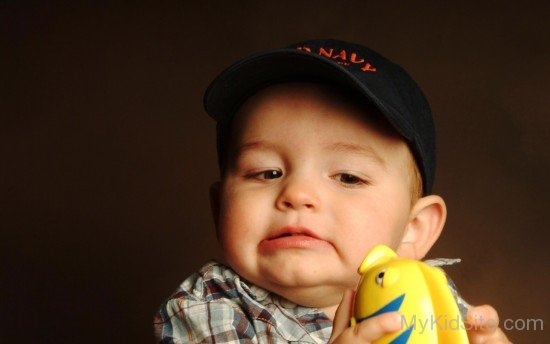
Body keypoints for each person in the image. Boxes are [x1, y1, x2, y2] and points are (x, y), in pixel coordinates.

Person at [154, 39, 510, 343]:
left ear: (413, 229)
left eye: (348, 178)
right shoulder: (211, 305)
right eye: (267, 172)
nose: (298, 193)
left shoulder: (429, 297)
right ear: (220, 210)